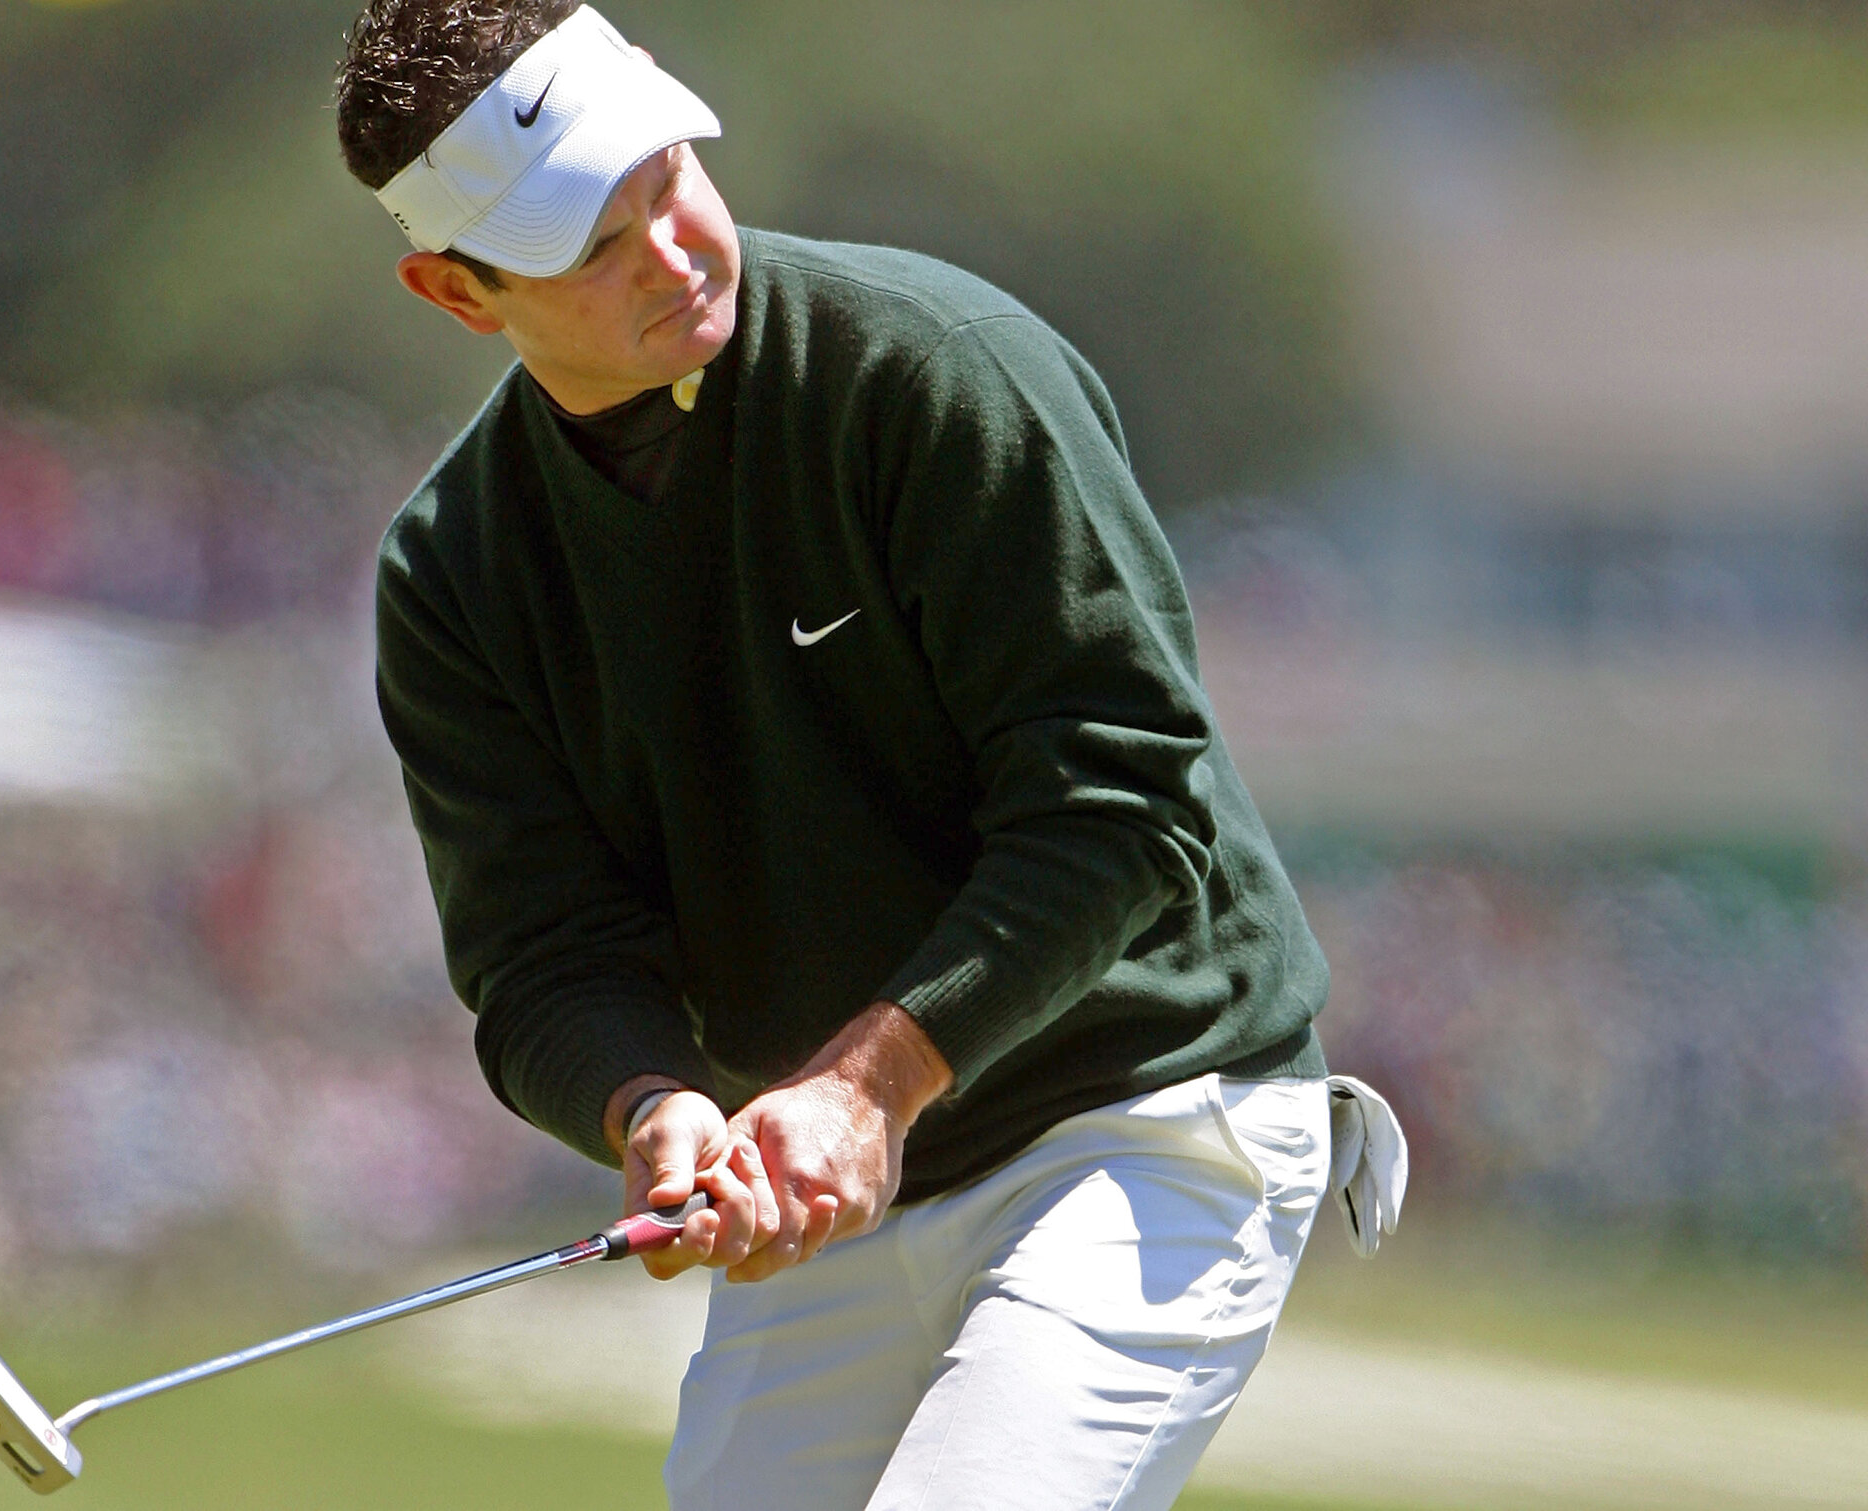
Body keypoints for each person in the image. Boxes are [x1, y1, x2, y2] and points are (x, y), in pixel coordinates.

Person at [334, 5, 1404, 1507]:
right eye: (593, 242)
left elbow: (1122, 803)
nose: (673, 252)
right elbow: (540, 957)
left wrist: (867, 1089)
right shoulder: (454, 570)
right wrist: (651, 1106)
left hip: (1145, 1113)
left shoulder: (937, 370)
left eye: (669, 178)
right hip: (831, 1181)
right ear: (456, 291)